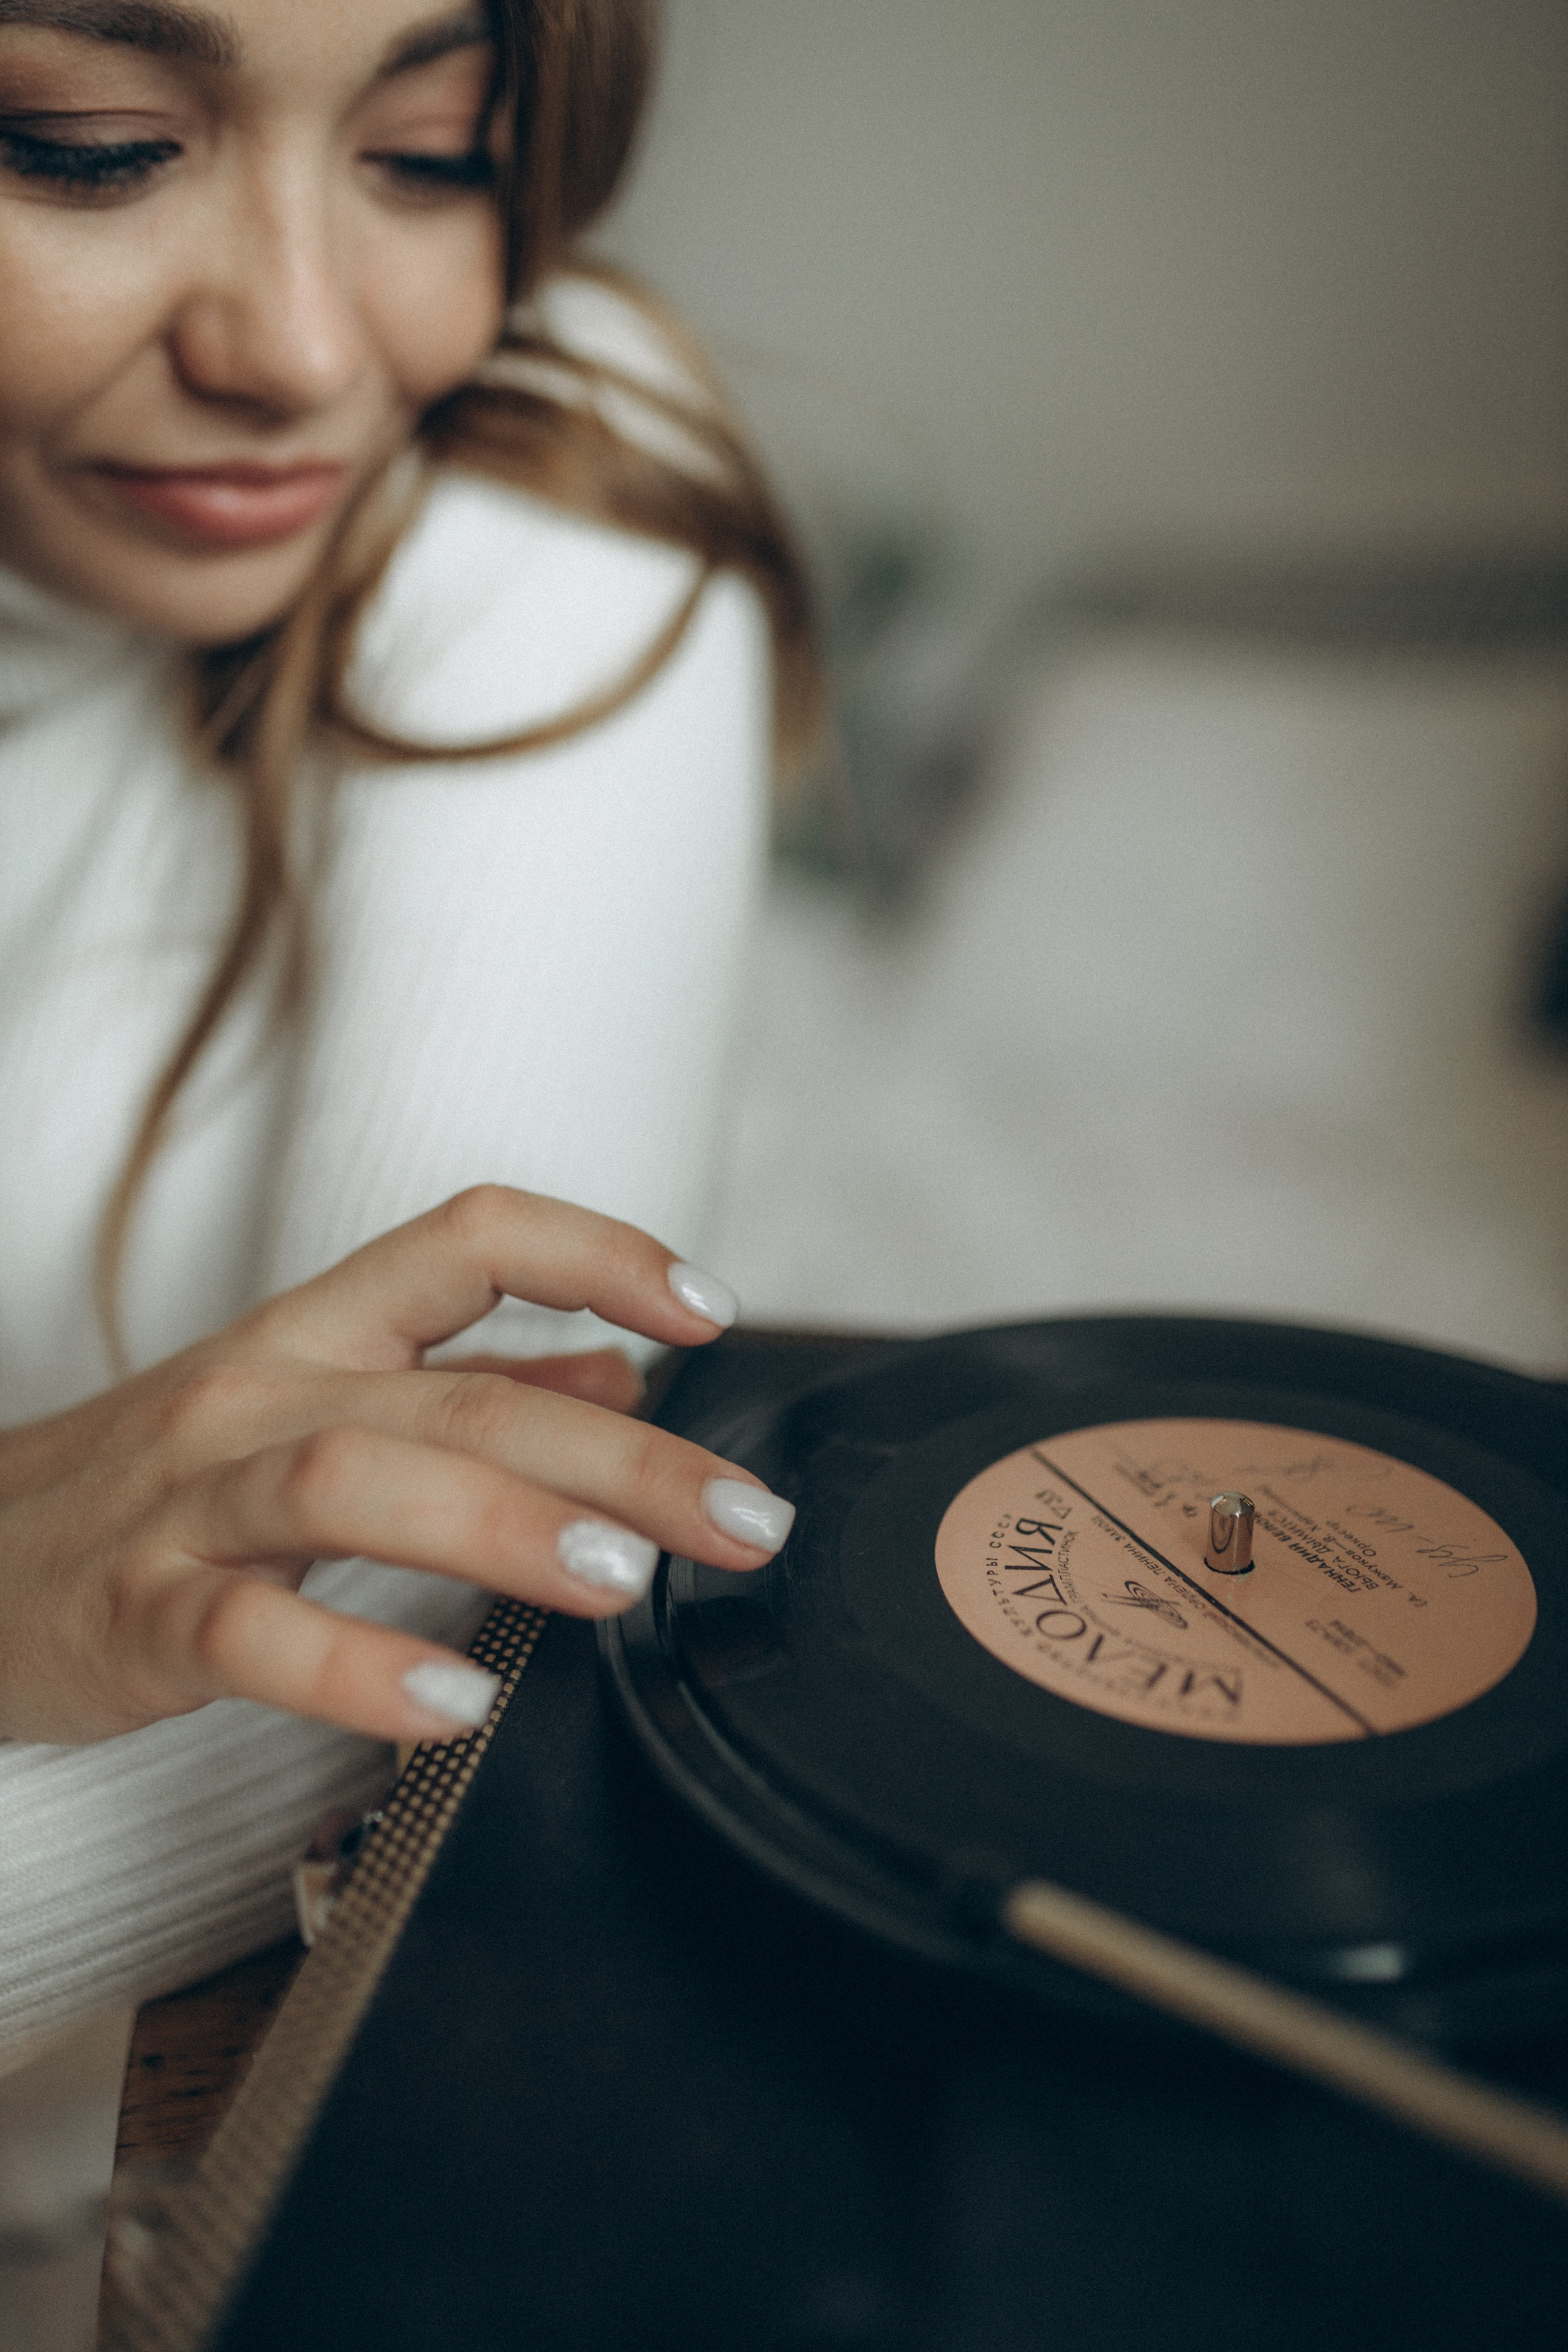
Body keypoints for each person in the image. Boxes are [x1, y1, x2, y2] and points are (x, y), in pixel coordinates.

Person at [0, 0, 815, 2077]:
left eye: (435, 149)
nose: (297, 346)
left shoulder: (545, 487)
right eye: (87, 147)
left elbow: (376, 1630)